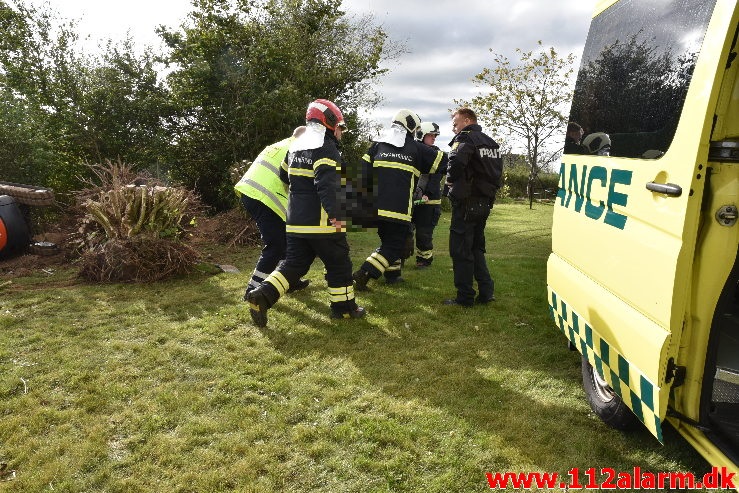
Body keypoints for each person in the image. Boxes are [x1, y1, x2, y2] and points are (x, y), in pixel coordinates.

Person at [245, 99, 365, 327]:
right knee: (339, 264)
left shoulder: (295, 147)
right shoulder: (327, 149)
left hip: (295, 222)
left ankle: (262, 296)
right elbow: (327, 186)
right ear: (328, 122)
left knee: (294, 265)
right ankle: (345, 309)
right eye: (339, 126)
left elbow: (283, 177)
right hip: (321, 223)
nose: (340, 132)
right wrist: (337, 215)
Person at [352, 110, 448, 290]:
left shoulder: (377, 146)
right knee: (397, 245)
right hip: (399, 209)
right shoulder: (416, 148)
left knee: (388, 241)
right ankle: (364, 273)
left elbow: (362, 173)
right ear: (411, 127)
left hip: (374, 208)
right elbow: (444, 162)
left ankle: (393, 275)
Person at [234, 126, 310, 299]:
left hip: (251, 193)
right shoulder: (298, 149)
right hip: (266, 197)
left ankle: (290, 280)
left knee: (287, 242)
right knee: (276, 245)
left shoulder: (279, 145)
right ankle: (252, 290)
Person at [444, 107, 503, 307]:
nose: (454, 129)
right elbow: (496, 174)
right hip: (484, 203)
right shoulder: (491, 143)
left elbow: (455, 161)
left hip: (467, 202)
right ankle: (486, 292)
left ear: (467, 121)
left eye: (455, 123)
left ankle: (465, 297)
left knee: (460, 249)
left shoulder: (465, 139)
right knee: (476, 247)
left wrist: (450, 180)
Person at [412, 122, 445, 268]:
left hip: (429, 203)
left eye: (435, 136)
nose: (434, 138)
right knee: (405, 232)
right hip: (413, 201)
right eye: (431, 135)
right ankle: (398, 257)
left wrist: (426, 194)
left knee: (423, 234)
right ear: (421, 135)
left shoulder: (436, 155)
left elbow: (435, 177)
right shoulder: (414, 152)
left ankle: (424, 260)